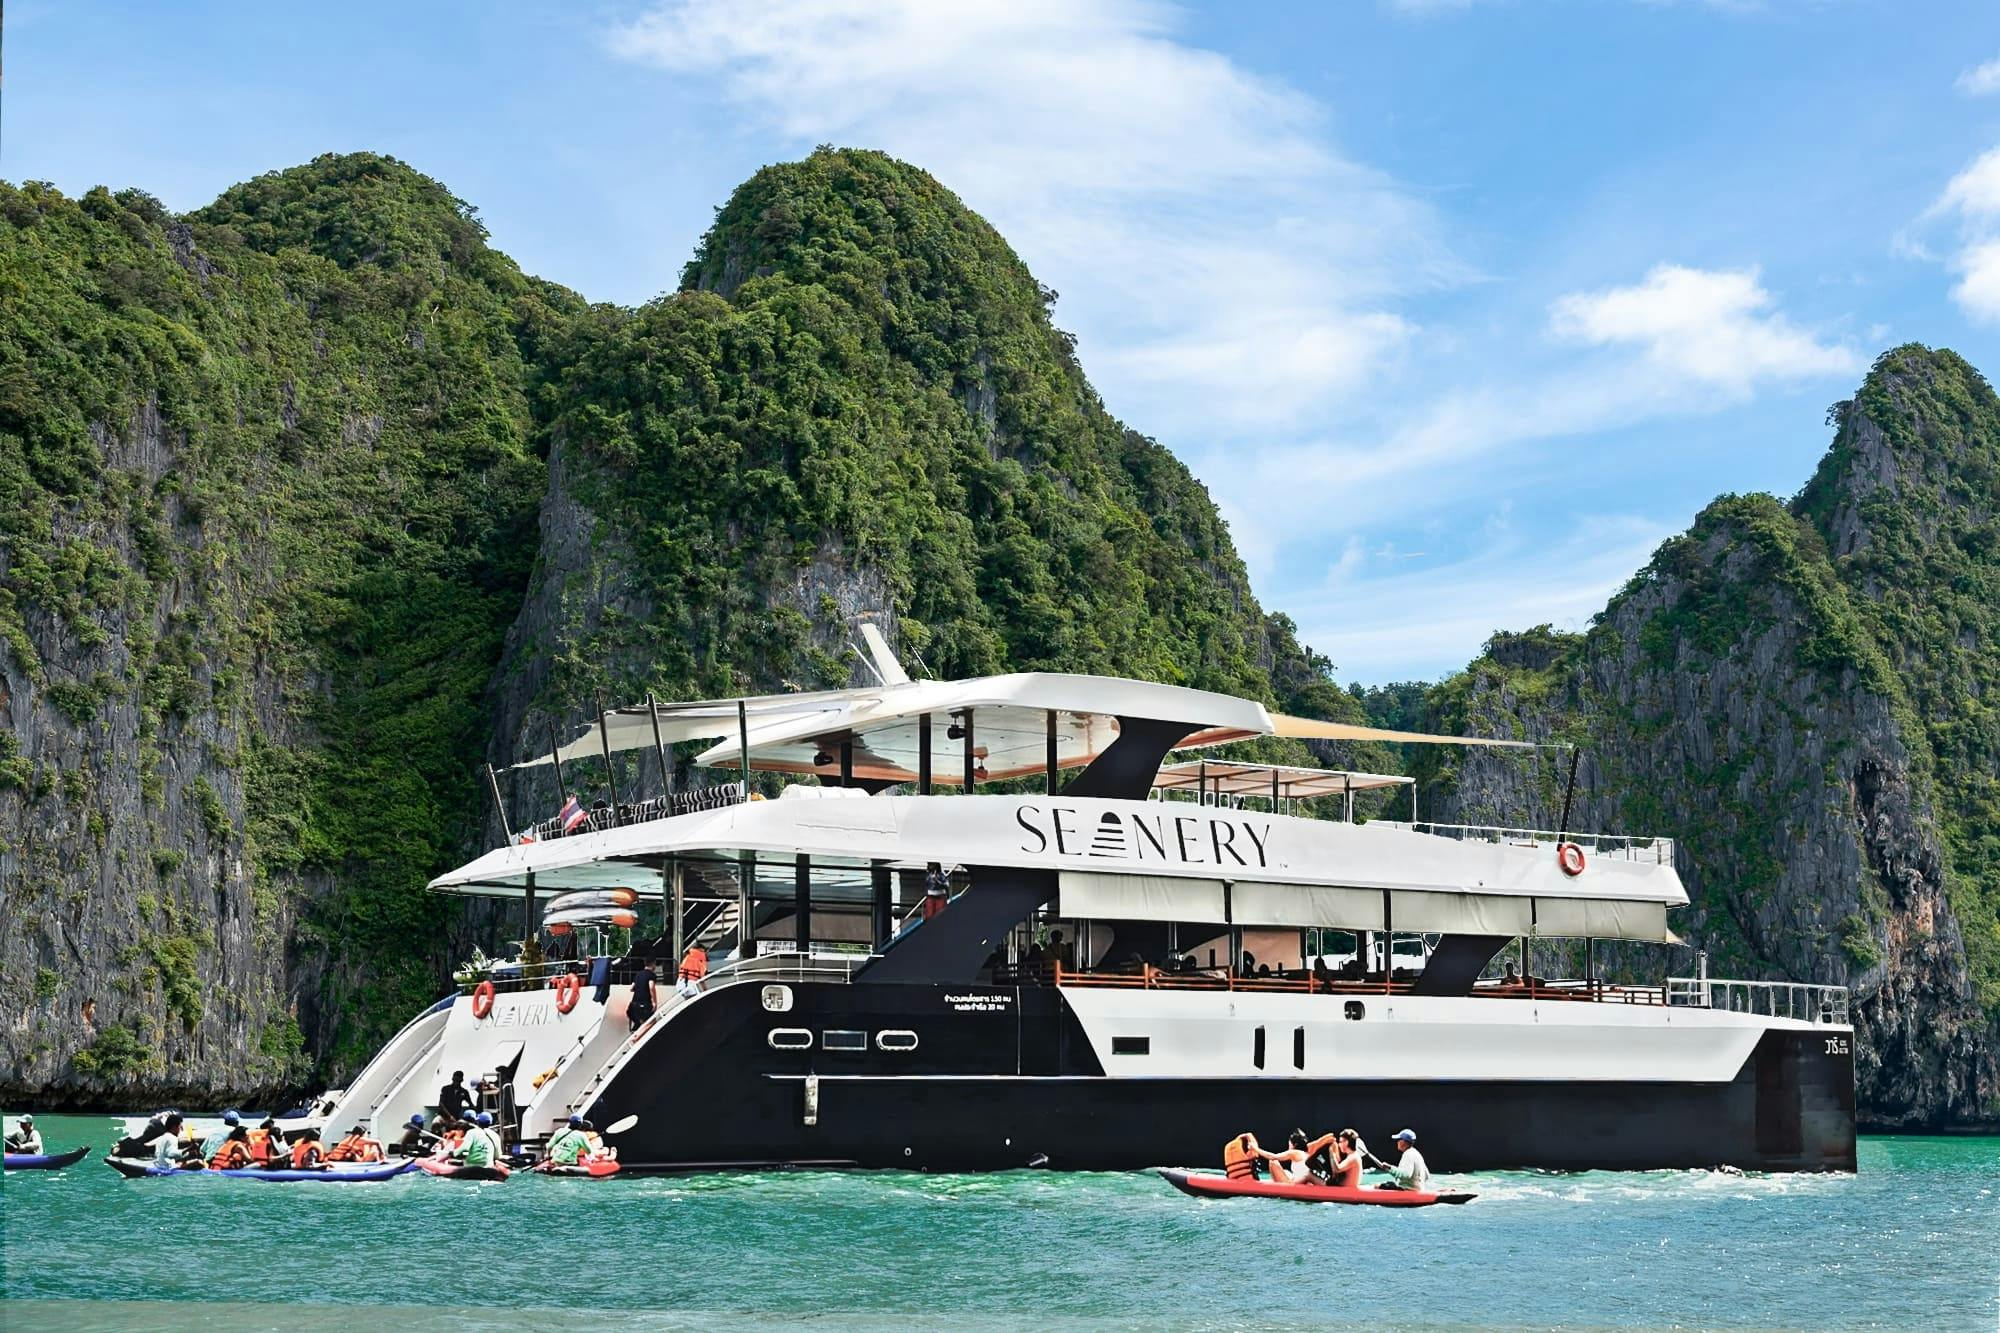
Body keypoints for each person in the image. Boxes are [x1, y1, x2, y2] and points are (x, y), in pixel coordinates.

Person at [628, 966, 657, 1031]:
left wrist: (639, 989)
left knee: (637, 1019)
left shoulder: (638, 974)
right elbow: (651, 987)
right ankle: (640, 1036)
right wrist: (654, 1002)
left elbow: (631, 988)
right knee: (652, 1022)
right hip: (645, 1004)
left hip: (633, 1005)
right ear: (653, 964)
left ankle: (637, 1027)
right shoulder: (651, 975)